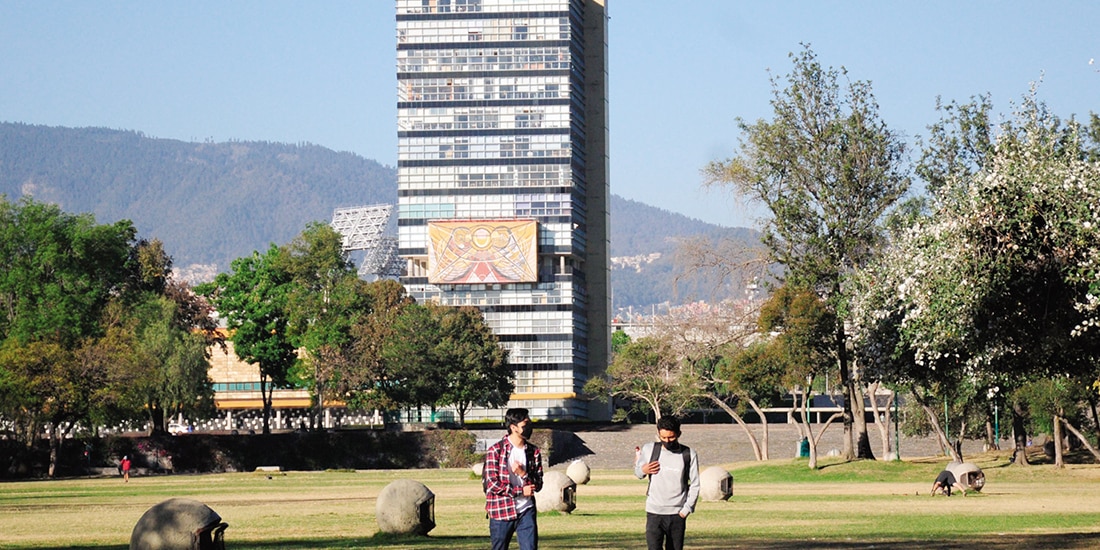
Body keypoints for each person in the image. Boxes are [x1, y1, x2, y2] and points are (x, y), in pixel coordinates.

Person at [635, 416, 700, 550]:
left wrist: (687, 509)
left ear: (678, 434)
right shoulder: (650, 449)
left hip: (677, 514)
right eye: (662, 438)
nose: (667, 441)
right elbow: (638, 473)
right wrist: (643, 469)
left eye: (671, 438)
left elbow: (695, 484)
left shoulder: (689, 454)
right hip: (654, 513)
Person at [484, 408, 543, 550]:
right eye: (525, 425)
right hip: (501, 511)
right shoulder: (496, 451)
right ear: (513, 427)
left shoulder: (533, 452)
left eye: (529, 424)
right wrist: (520, 490)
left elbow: (539, 484)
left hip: (526, 509)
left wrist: (523, 474)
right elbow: (492, 484)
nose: (529, 428)